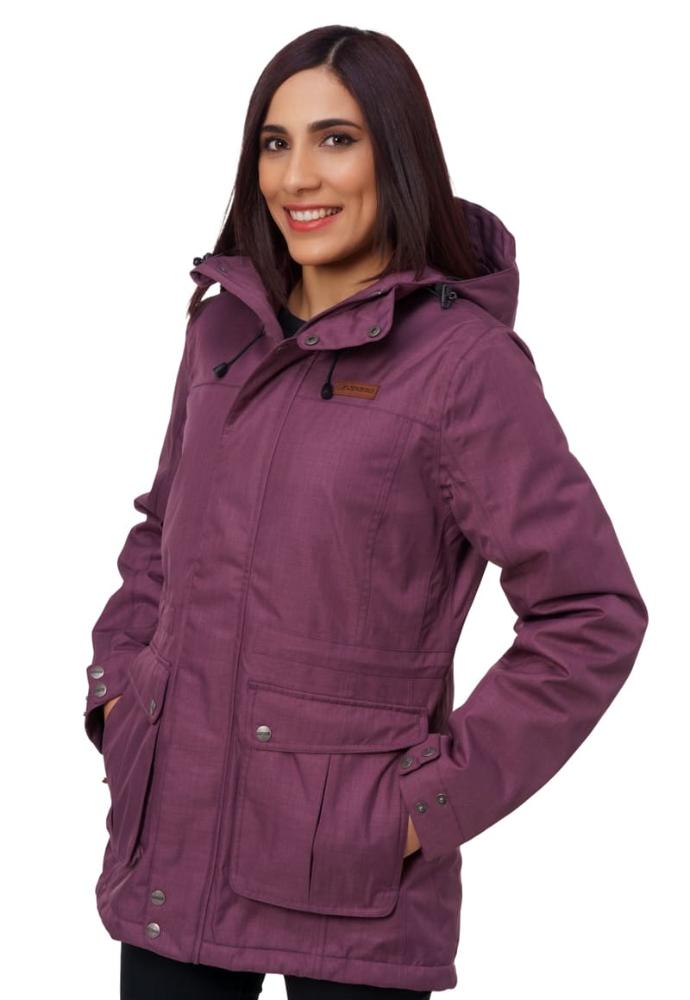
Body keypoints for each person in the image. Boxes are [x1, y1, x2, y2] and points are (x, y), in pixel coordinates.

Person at [83, 24, 649, 1000]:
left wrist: (425, 807)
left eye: (336, 140)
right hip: (173, 835)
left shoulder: (465, 367)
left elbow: (591, 611)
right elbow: (162, 531)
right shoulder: (222, 330)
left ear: (398, 155)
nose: (298, 176)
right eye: (276, 143)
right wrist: (119, 693)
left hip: (350, 865)